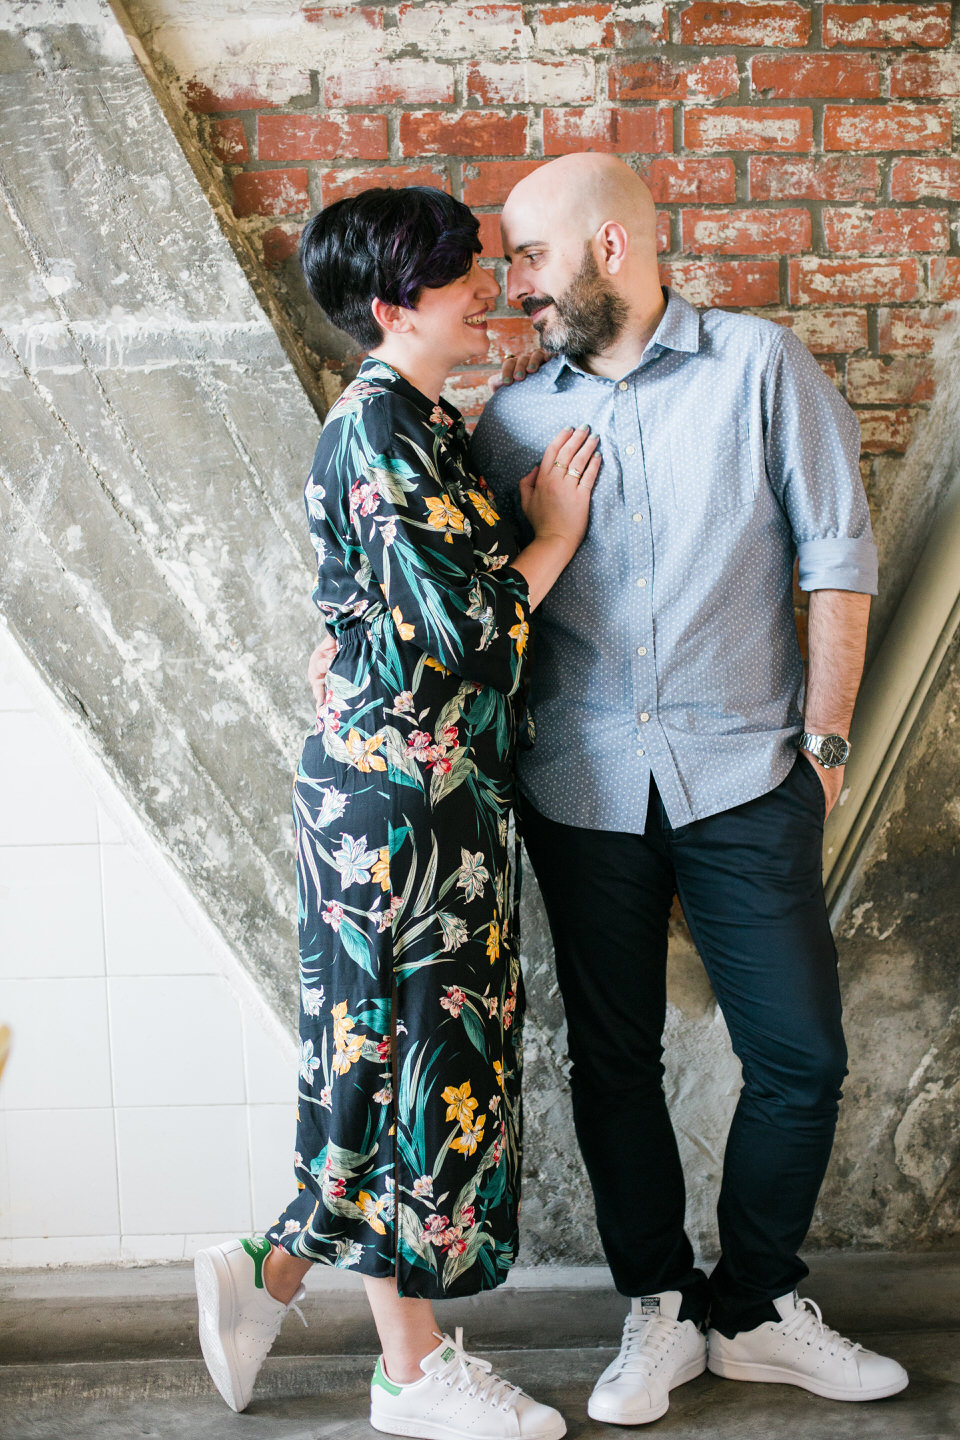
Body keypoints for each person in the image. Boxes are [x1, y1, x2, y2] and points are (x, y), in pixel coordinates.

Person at [466, 152, 909, 1424]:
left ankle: (758, 1307)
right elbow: (481, 603)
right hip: (581, 783)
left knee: (800, 1058)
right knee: (613, 1064)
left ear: (612, 248)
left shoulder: (762, 367)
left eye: (533, 259)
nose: (520, 288)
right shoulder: (509, 419)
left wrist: (824, 746)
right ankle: (657, 1308)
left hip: (745, 773)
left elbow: (838, 555)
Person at [193, 186, 601, 1436]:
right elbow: (464, 636)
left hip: (435, 798)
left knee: (396, 1060)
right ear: (392, 306)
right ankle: (408, 1373)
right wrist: (557, 533)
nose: (489, 286)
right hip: (394, 806)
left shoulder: (426, 420)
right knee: (404, 1057)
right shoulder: (374, 428)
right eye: (462, 273)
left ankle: (278, 1267)